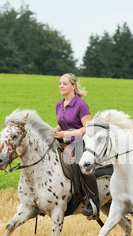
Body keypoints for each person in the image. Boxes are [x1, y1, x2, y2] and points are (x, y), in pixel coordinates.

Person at [54, 73, 100, 219]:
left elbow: (87, 128)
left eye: (65, 83)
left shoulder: (81, 104)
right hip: (65, 143)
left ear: (73, 86)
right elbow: (62, 125)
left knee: (83, 167)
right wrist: (53, 131)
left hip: (80, 143)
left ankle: (93, 203)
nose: (61, 86)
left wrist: (65, 134)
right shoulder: (59, 105)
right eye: (60, 83)